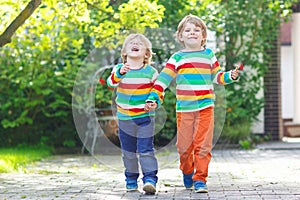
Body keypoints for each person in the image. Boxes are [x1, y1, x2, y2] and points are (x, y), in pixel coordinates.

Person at [145, 14, 240, 193]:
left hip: (205, 107)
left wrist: (230, 76)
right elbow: (163, 80)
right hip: (185, 109)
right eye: (187, 30)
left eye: (197, 30)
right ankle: (187, 171)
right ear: (180, 36)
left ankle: (200, 179)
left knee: (203, 145)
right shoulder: (177, 58)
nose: (192, 33)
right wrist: (153, 97)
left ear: (203, 35)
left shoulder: (209, 55)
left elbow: (217, 77)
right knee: (184, 147)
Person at [106, 33, 159, 194]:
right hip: (125, 119)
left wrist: (153, 101)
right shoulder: (119, 69)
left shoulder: (150, 72)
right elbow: (110, 83)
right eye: (131, 43)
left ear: (147, 54)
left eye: (140, 44)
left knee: (146, 149)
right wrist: (120, 73)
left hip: (145, 118)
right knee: (128, 152)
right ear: (124, 52)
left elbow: (157, 91)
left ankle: (150, 179)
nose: (135, 44)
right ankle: (131, 178)